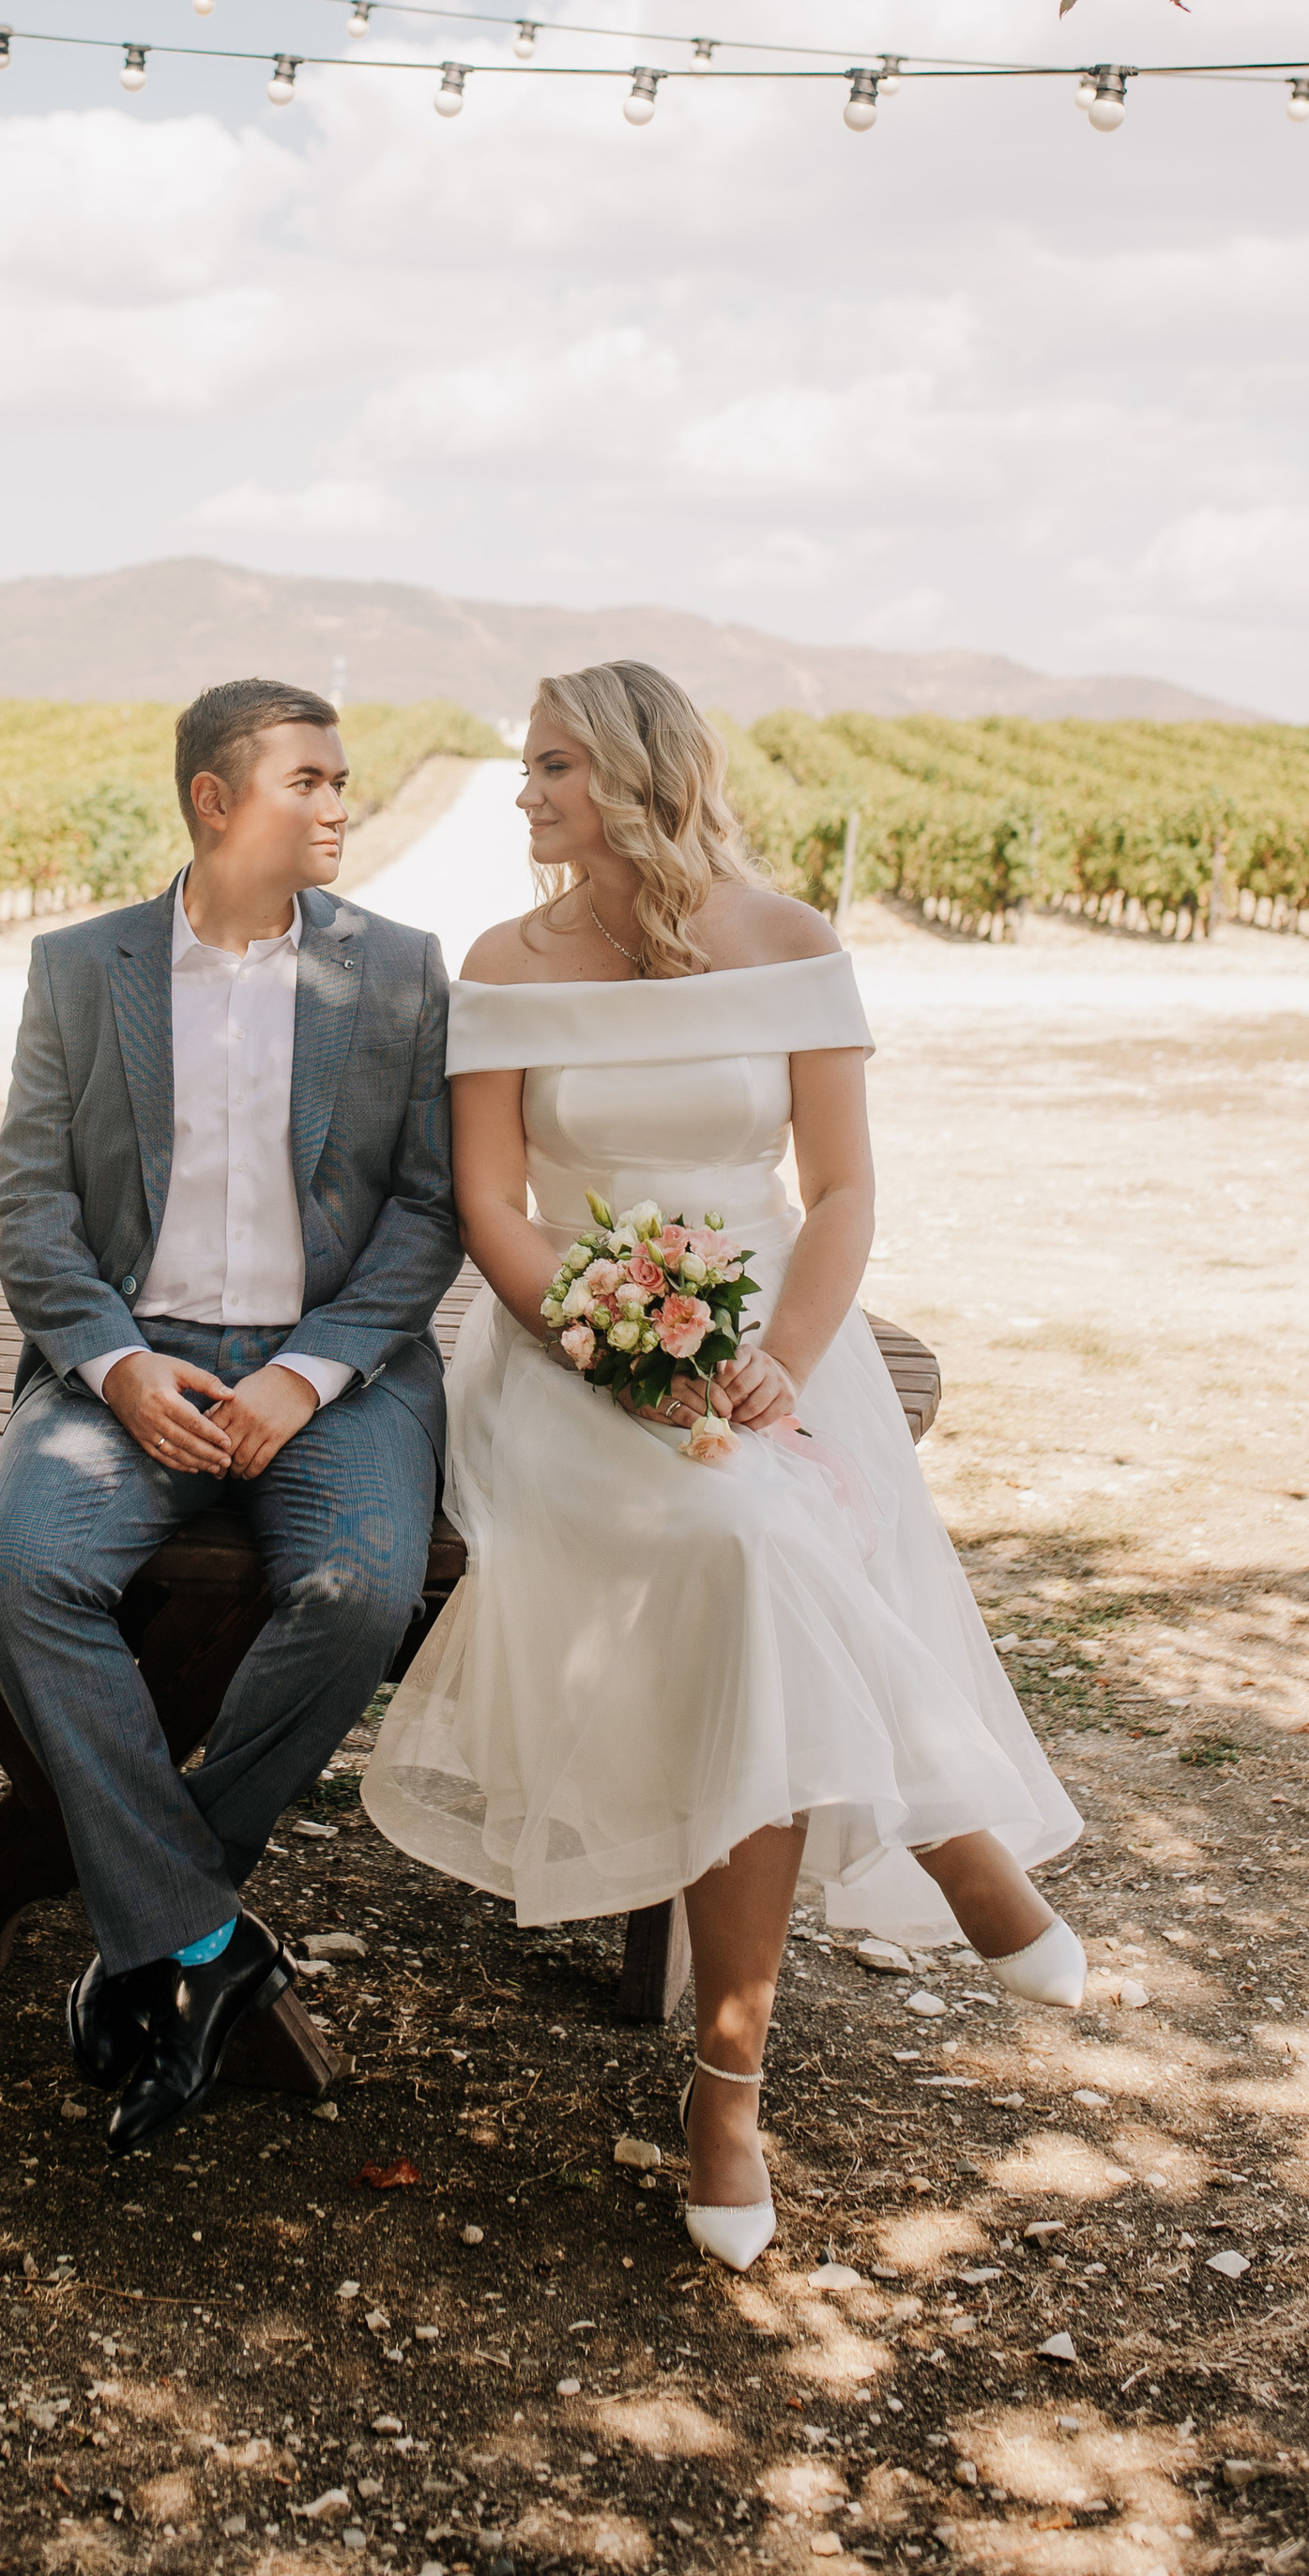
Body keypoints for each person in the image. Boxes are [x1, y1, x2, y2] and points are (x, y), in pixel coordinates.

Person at [361, 662, 1084, 2272]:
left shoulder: (794, 947)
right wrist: (617, 1347)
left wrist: (781, 1358)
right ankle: (955, 1843)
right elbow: (495, 1211)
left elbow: (838, 1195)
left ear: (629, 776)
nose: (525, 791)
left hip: (773, 1338)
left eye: (550, 764)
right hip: (566, 1351)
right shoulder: (504, 961)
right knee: (742, 1547)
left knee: (754, 1538)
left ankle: (727, 2084)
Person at [0, 677, 461, 2155]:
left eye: (342, 780)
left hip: (332, 1368)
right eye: (309, 779)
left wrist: (306, 1375)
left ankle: (164, 1918)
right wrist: (113, 1365)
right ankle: (202, 1942)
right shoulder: (82, 966)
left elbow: (428, 1214)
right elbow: (28, 1202)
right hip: (133, 1361)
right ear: (214, 798)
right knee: (15, 1573)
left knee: (362, 1585)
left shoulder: (400, 969)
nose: (338, 804)